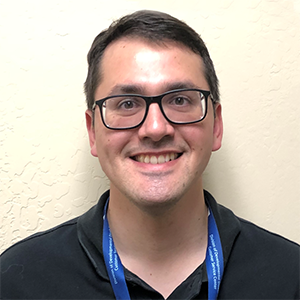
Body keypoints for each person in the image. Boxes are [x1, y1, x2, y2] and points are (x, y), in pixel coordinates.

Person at [0, 10, 299, 300]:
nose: (155, 128)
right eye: (127, 104)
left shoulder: (290, 277)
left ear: (216, 126)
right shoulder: (17, 281)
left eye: (180, 100)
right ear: (93, 132)